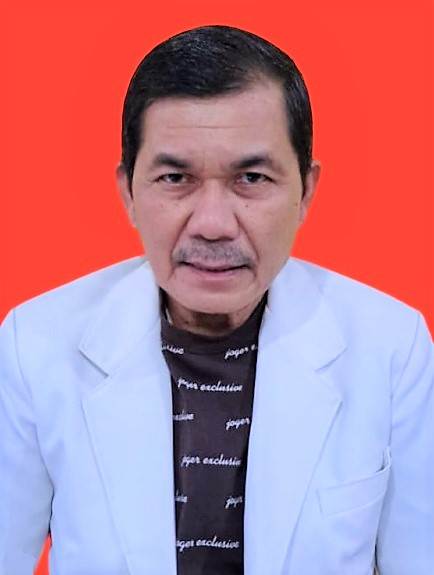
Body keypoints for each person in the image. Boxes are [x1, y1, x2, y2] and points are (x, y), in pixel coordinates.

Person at [0, 25, 433, 575]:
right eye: (175, 177)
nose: (211, 224)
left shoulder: (392, 348)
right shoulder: (35, 345)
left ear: (306, 190)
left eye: (251, 177)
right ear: (128, 190)